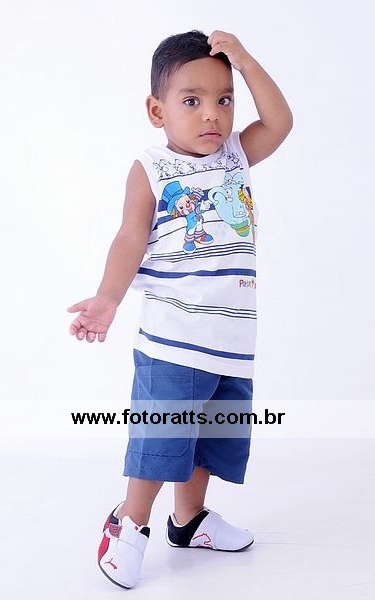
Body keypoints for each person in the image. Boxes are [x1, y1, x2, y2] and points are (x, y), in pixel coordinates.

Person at [67, 29, 293, 589]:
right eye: (191, 100)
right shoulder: (152, 168)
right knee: (163, 438)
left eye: (224, 99)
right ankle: (129, 522)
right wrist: (107, 299)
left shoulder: (236, 155)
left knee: (210, 439)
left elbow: (280, 121)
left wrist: (244, 60)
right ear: (157, 110)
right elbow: (129, 237)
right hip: (174, 338)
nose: (211, 114)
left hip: (231, 342)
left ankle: (188, 520)